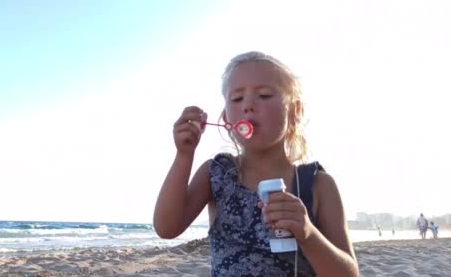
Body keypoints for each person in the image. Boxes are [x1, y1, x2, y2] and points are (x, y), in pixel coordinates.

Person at [153, 51, 358, 276]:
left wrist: (308, 233)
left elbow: (348, 273)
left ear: (295, 111)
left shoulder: (317, 184)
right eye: (237, 98)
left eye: (264, 95)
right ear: (226, 119)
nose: (248, 105)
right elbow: (166, 228)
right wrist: (184, 156)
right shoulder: (217, 173)